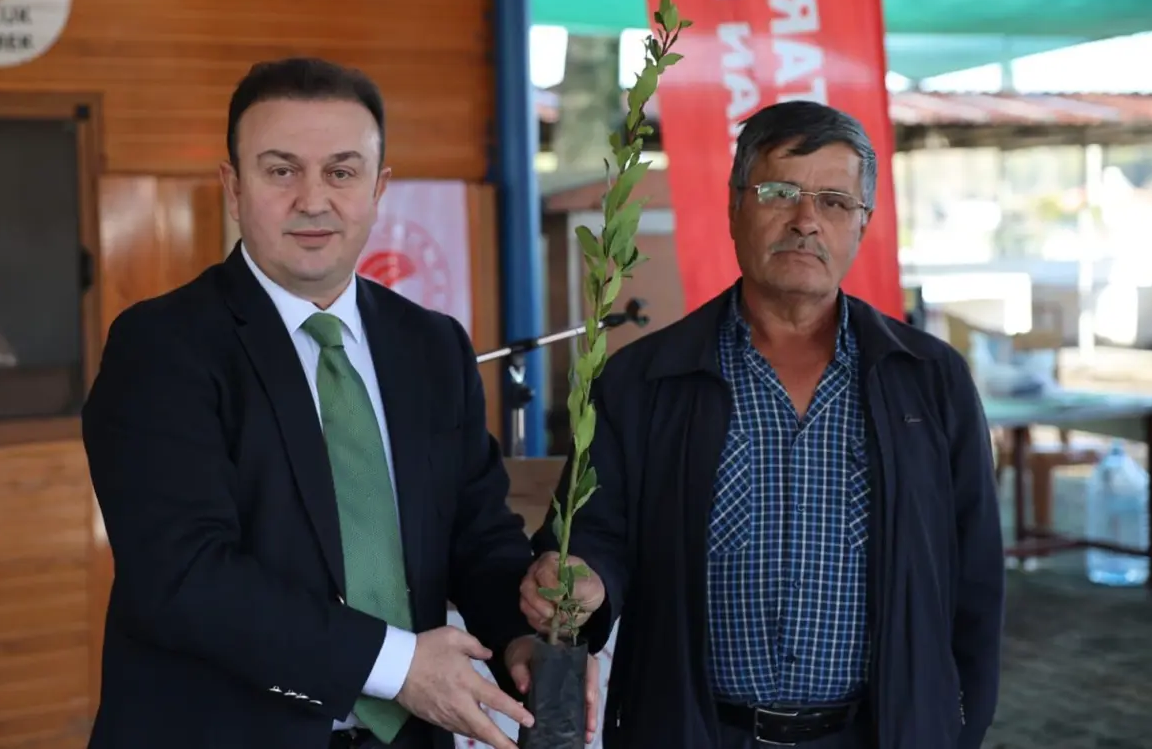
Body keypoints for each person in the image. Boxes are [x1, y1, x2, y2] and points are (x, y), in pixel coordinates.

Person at [84, 57, 584, 749]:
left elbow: (477, 534)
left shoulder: (432, 345)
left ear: (379, 188)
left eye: (342, 172)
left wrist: (519, 636)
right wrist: (399, 666)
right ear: (234, 187)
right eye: (281, 170)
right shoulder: (161, 346)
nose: (313, 200)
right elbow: (185, 575)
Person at [521, 101, 1005, 749]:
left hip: (877, 732)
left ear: (862, 224)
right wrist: (585, 582)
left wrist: (958, 727)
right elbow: (595, 536)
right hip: (696, 731)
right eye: (780, 193)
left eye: (835, 202)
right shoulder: (645, 381)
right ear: (734, 207)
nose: (806, 220)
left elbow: (976, 579)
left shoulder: (928, 380)